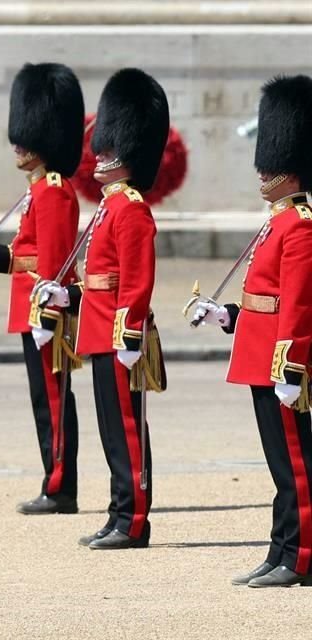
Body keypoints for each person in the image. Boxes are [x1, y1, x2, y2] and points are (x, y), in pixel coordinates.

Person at [34, 68, 169, 549]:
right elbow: (99, 280)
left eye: (108, 149)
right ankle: (119, 514)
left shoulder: (131, 208)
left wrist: (130, 332)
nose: (99, 155)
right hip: (99, 329)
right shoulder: (110, 207)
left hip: (120, 336)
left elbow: (137, 280)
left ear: (126, 154)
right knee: (112, 430)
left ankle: (133, 520)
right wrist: (64, 296)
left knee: (127, 430)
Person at [190, 74, 312, 587]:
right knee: (280, 468)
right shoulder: (277, 221)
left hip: (282, 362)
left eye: (274, 163)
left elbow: (300, 305)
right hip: (261, 355)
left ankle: (300, 556)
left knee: (297, 470)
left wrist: (292, 366)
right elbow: (266, 300)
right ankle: (280, 550)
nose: (263, 171)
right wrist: (228, 316)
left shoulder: (301, 224)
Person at [0, 63, 85, 515]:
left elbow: (53, 263)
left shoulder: (53, 191)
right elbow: (29, 256)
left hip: (42, 313)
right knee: (43, 398)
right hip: (29, 307)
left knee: (51, 399)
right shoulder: (38, 191)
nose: (18, 143)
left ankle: (59, 487)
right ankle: (55, 482)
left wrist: (46, 318)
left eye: (25, 134)